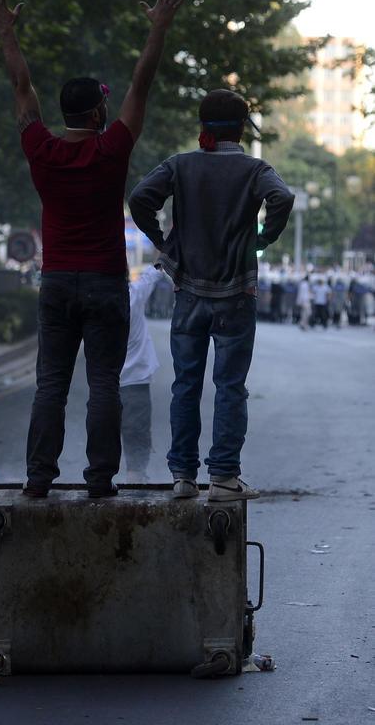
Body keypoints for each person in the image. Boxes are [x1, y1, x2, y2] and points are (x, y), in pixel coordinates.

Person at [0, 0, 183, 498]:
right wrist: (158, 29)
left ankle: (38, 478)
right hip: (104, 284)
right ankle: (99, 480)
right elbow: (142, 84)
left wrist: (6, 32)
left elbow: (21, 85)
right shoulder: (111, 150)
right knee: (104, 385)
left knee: (49, 383)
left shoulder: (40, 148)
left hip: (56, 283)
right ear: (96, 115)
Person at [129, 89, 294, 501]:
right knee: (230, 387)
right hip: (237, 293)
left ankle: (183, 476)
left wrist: (164, 242)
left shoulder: (180, 165)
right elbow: (283, 197)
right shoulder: (255, 169)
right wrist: (262, 239)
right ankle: (223, 478)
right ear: (241, 130)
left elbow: (140, 197)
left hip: (188, 292)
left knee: (186, 384)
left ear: (203, 127)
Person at [120, 266, 162, 483]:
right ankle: (135, 474)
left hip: (104, 380)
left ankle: (100, 475)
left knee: (103, 428)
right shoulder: (133, 294)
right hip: (136, 380)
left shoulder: (95, 302)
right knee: (137, 429)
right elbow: (154, 272)